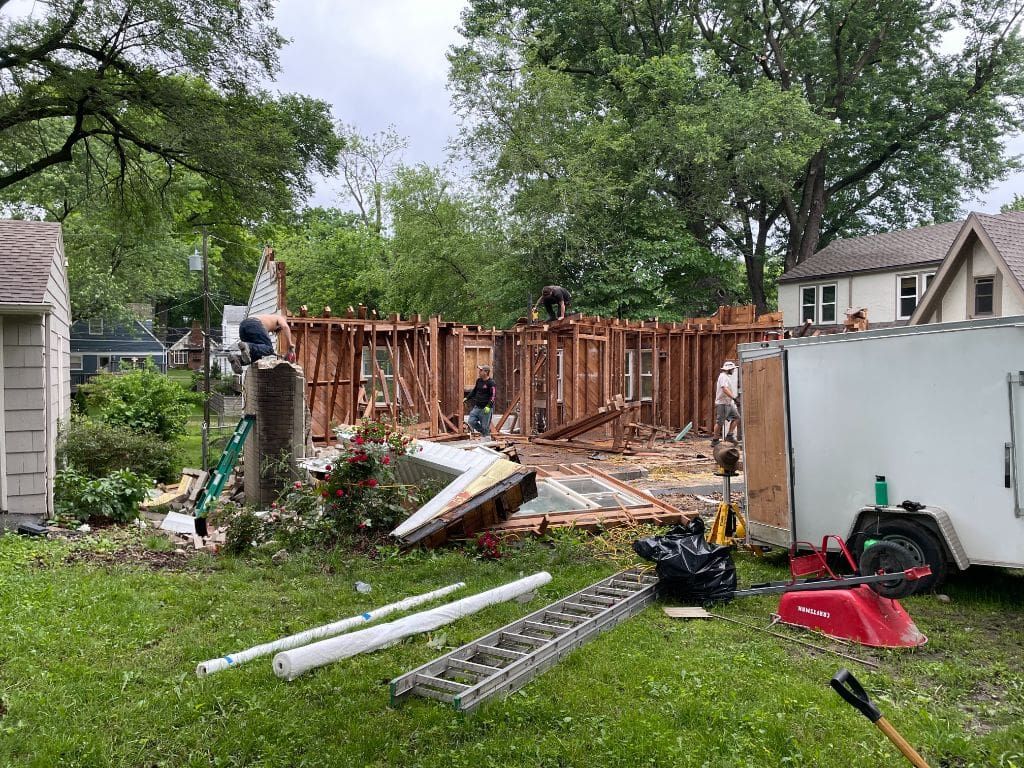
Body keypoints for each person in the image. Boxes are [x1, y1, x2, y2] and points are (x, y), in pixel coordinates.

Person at [228, 313, 295, 374]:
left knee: (255, 357)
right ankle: (249, 346)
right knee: (269, 349)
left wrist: (273, 353)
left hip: (243, 326)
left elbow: (261, 346)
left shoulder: (268, 319)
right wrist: (290, 344)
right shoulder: (280, 317)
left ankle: (237, 359)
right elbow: (285, 326)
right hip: (255, 324)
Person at [711, 360, 740, 446]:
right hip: (722, 403)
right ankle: (715, 440)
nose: (733, 371)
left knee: (737, 417)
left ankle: (729, 435)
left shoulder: (726, 376)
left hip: (728, 403)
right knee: (720, 422)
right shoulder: (723, 376)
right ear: (729, 369)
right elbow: (724, 389)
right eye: (732, 369)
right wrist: (734, 398)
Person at [465, 364, 497, 438]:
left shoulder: (491, 383)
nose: (479, 372)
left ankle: (486, 440)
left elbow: (493, 395)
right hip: (477, 407)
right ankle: (484, 432)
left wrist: (489, 406)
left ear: (486, 372)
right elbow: (475, 390)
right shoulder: (479, 380)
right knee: (471, 421)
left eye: (481, 370)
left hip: (486, 409)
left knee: (485, 426)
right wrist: (467, 398)